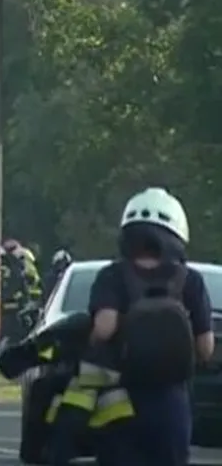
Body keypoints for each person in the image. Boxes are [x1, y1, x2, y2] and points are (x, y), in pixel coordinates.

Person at [83, 187, 211, 466]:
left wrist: (89, 347)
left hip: (119, 399)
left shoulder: (112, 275)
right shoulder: (191, 281)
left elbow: (105, 327)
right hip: (172, 401)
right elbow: (205, 347)